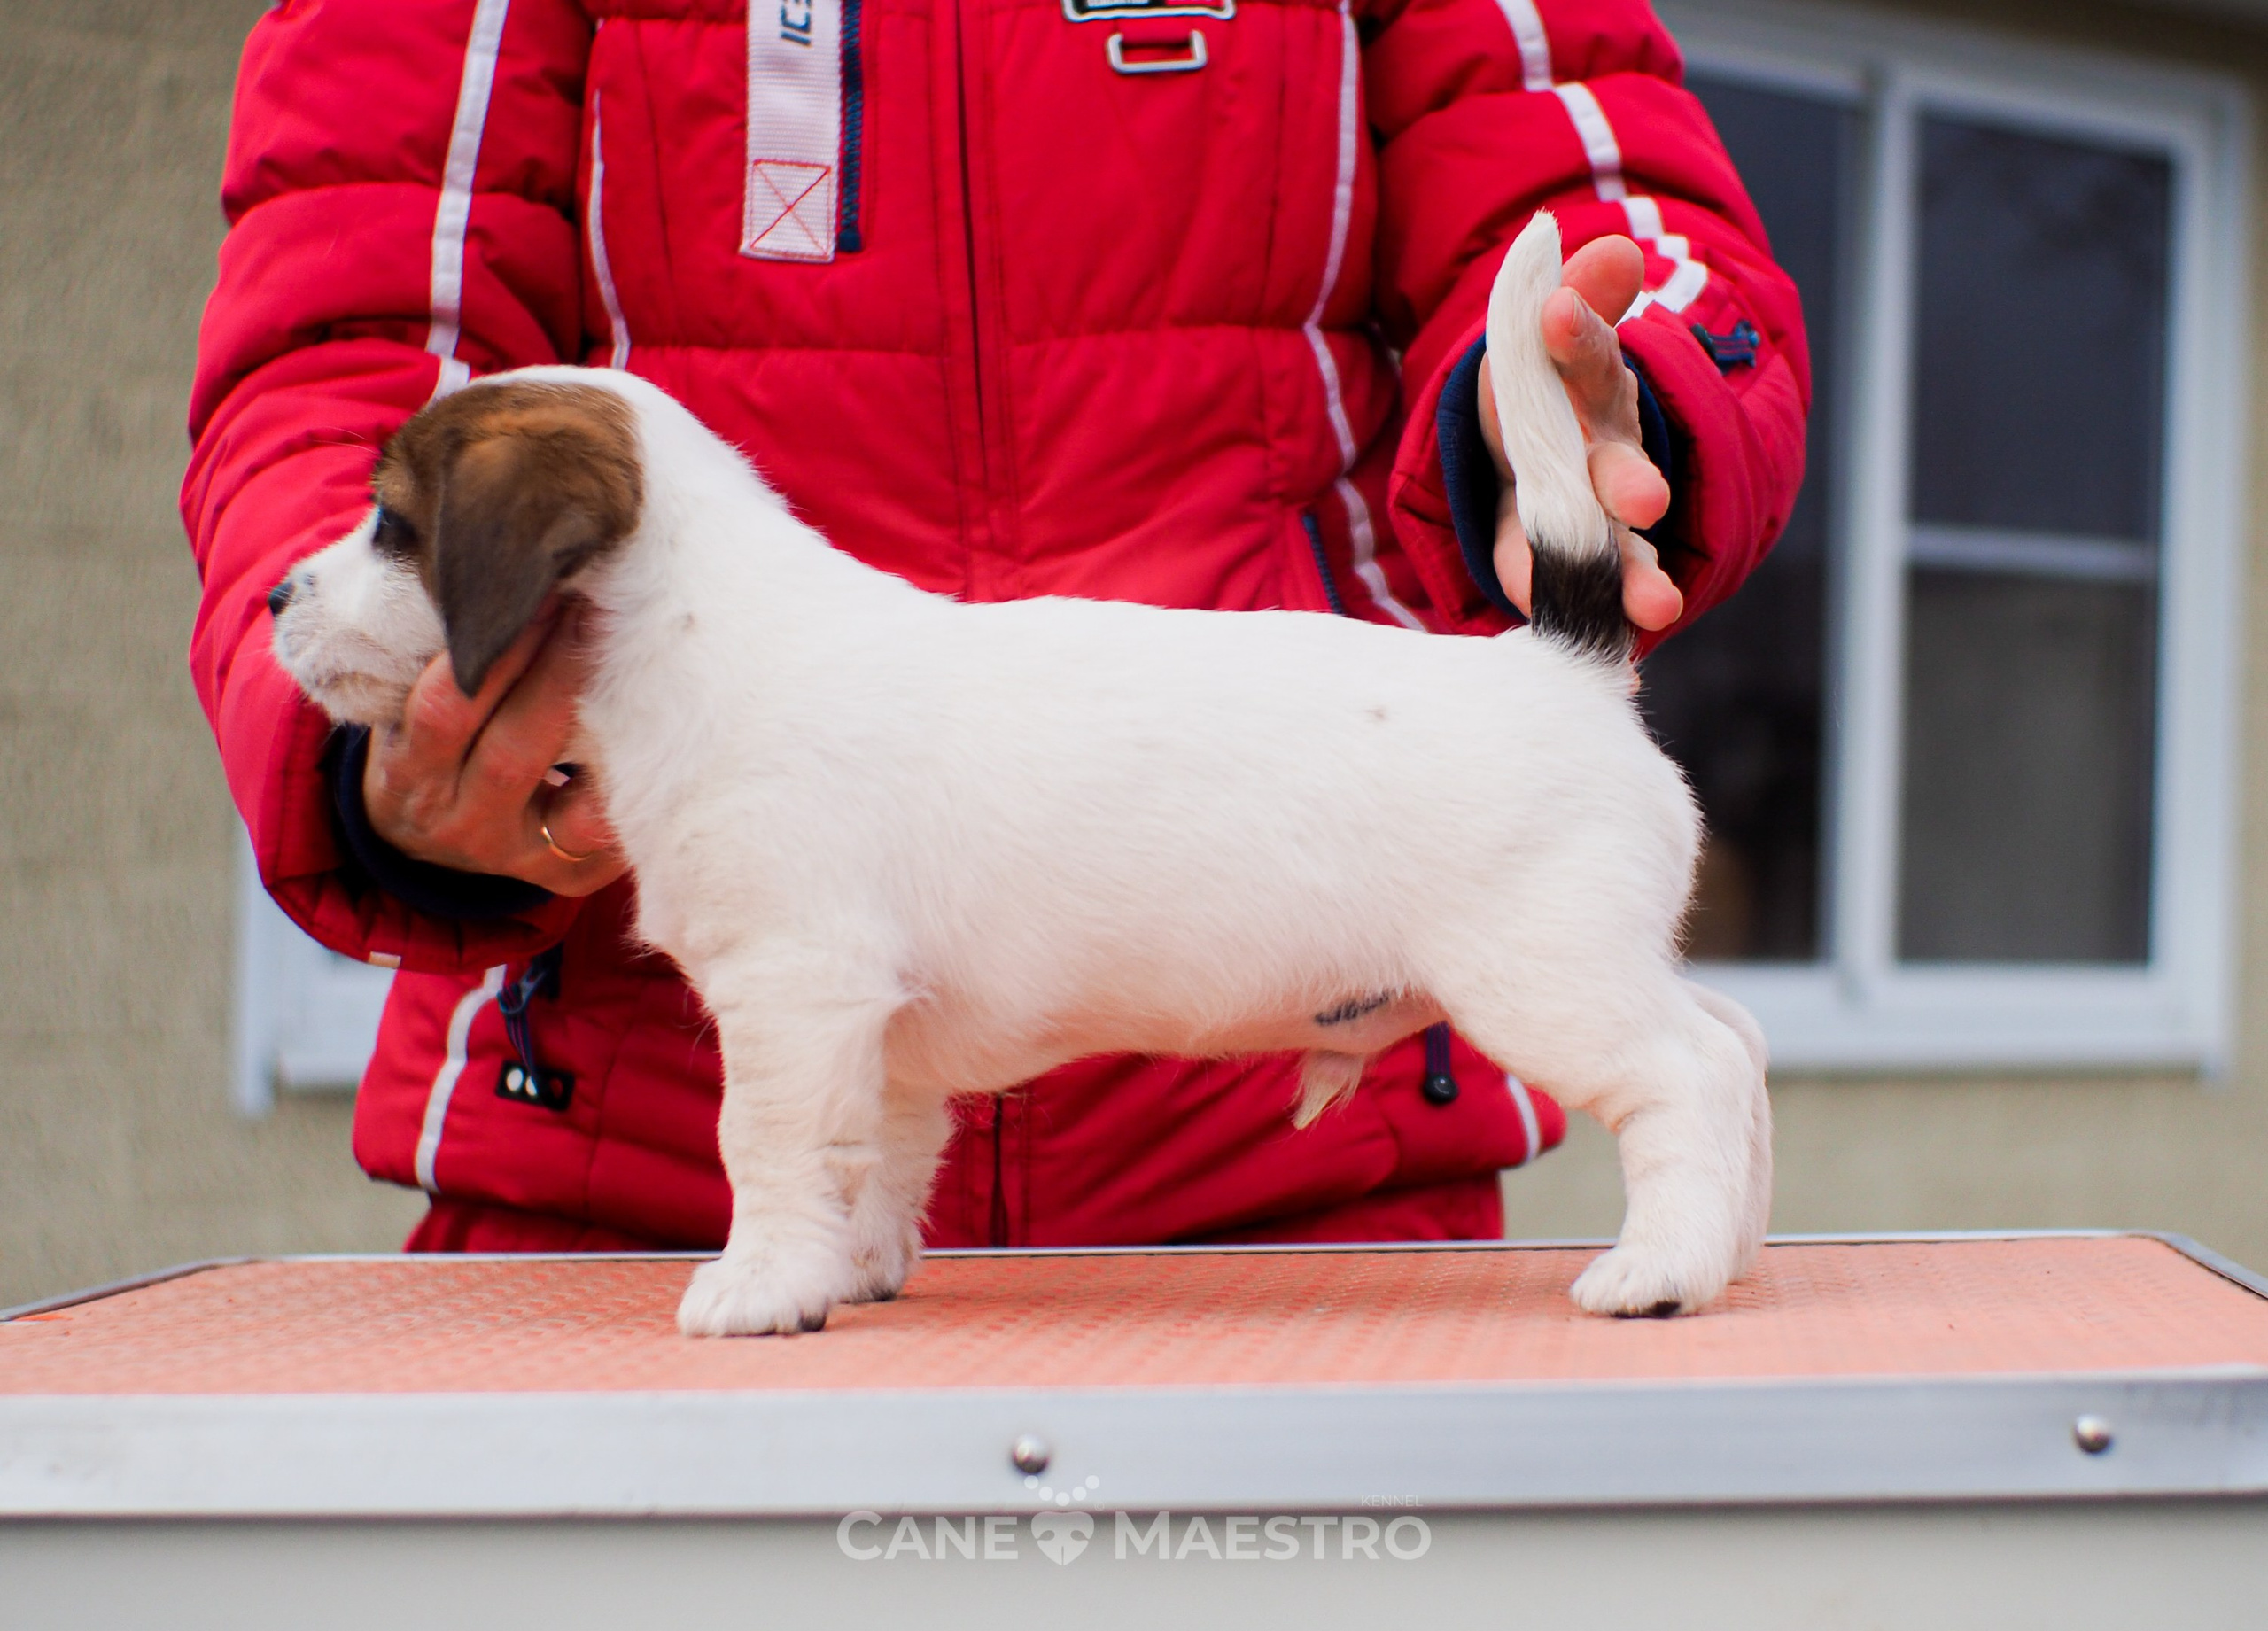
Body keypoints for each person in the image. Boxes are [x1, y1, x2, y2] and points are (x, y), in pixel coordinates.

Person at [184, 0, 1806, 1254]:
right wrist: (383, 761)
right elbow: (355, 334)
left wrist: (1609, 401)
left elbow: (1590, 185)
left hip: (1307, 1187)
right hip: (612, 1177)